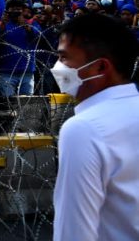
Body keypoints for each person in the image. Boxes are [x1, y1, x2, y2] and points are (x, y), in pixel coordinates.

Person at [51, 13, 139, 240]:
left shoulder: (84, 129)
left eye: (65, 58)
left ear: (100, 66)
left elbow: (74, 230)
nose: (58, 67)